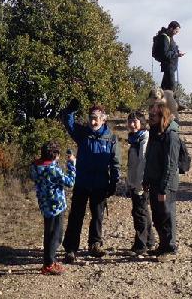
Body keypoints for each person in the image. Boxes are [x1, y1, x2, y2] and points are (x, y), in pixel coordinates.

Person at [61, 100, 120, 263]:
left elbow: (115, 163)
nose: (93, 121)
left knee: (97, 216)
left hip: (100, 183)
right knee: (76, 217)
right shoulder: (82, 133)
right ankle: (71, 249)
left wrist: (114, 182)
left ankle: (95, 244)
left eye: (96, 118)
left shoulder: (111, 138)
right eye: (91, 118)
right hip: (82, 182)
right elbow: (68, 123)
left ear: (103, 119)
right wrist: (70, 111)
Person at [30, 140, 77, 275]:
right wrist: (71, 164)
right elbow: (70, 182)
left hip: (44, 204)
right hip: (56, 205)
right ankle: (49, 264)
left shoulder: (35, 166)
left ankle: (49, 260)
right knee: (55, 236)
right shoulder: (53, 169)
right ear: (55, 155)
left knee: (49, 233)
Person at [143, 97, 180, 261]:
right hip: (154, 181)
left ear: (162, 115)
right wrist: (146, 180)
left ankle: (170, 247)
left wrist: (164, 188)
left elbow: (170, 164)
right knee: (158, 216)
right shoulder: (154, 132)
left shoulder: (171, 136)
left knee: (167, 215)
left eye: (154, 115)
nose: (150, 117)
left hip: (166, 184)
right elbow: (149, 158)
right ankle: (163, 246)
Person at [125, 110, 154, 256]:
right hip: (135, 182)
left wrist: (139, 183)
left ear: (142, 123)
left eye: (135, 121)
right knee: (142, 211)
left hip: (141, 183)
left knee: (139, 213)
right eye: (130, 121)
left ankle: (141, 244)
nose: (132, 124)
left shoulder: (144, 139)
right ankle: (149, 240)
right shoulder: (134, 139)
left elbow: (142, 161)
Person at [153, 21, 185, 91]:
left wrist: (177, 51)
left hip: (170, 68)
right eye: (176, 31)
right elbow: (165, 54)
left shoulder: (169, 37)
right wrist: (177, 54)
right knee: (171, 91)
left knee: (164, 90)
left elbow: (170, 50)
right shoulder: (164, 38)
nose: (177, 33)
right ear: (171, 28)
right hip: (169, 68)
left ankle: (160, 101)